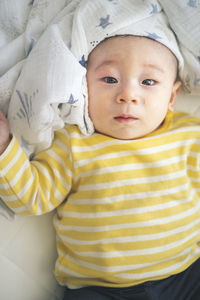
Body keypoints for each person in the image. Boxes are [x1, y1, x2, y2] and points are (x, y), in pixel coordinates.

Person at [0, 35, 200, 300]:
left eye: (148, 82)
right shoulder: (73, 143)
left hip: (186, 275)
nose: (127, 95)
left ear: (172, 96)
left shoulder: (188, 134)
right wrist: (4, 147)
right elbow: (31, 197)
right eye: (109, 80)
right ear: (84, 88)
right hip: (101, 290)